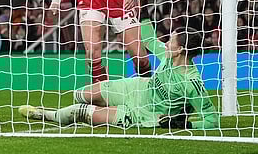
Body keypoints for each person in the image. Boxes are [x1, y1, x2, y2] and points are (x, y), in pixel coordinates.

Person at [19, 21, 219, 130]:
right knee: (81, 95)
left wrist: (183, 123)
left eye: (171, 41)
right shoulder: (167, 56)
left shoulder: (191, 82)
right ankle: (104, 109)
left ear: (179, 50)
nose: (166, 43)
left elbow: (212, 120)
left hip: (144, 115)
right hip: (137, 88)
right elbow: (148, 37)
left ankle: (44, 114)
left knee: (80, 111)